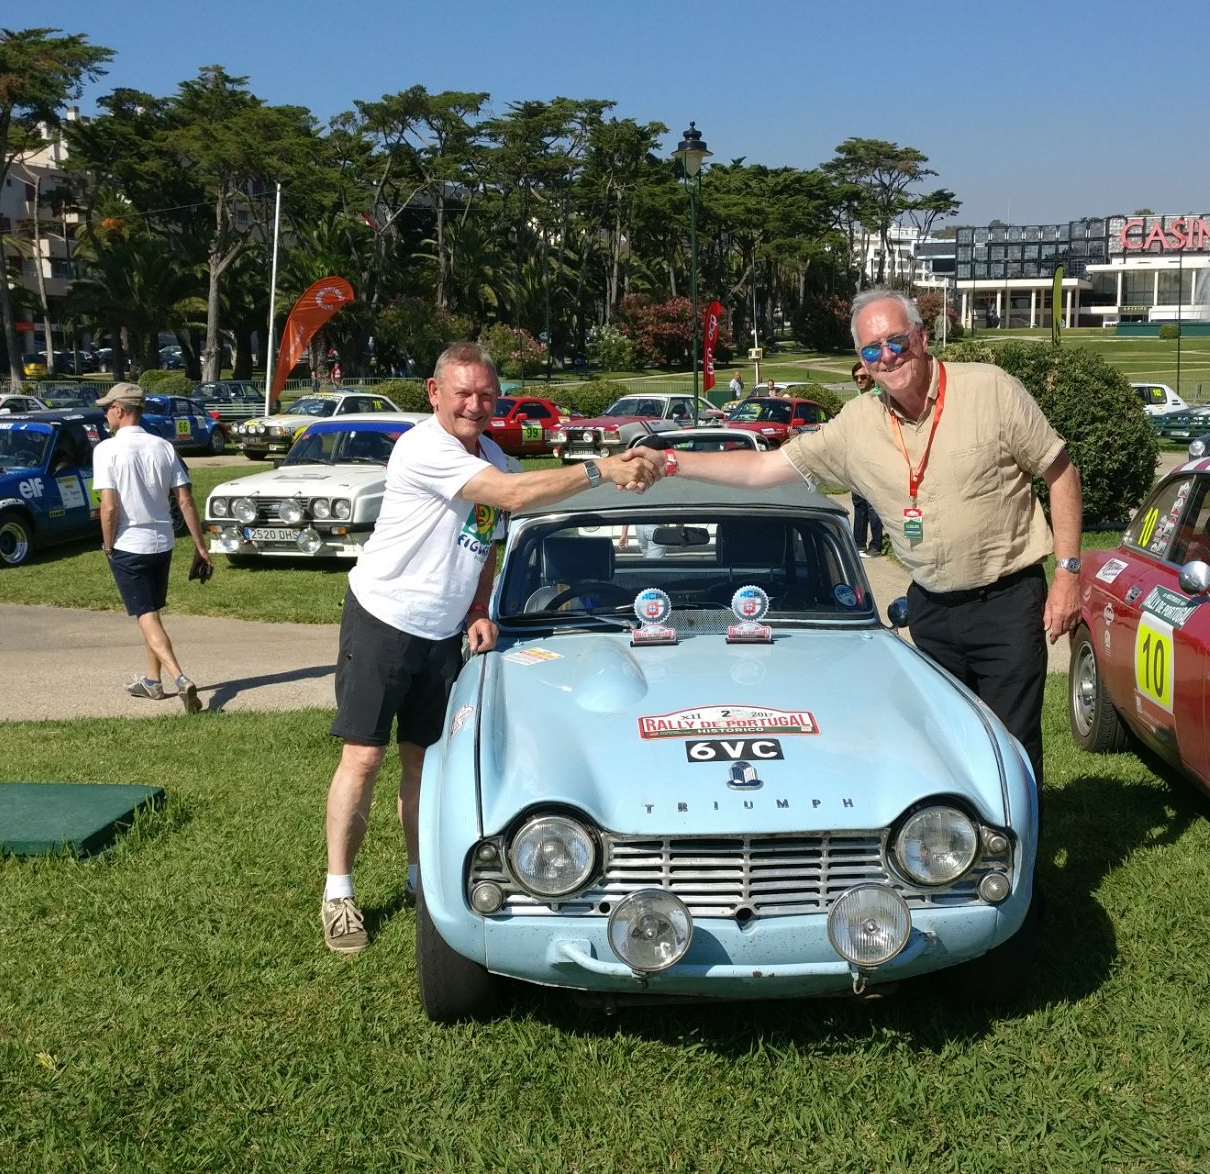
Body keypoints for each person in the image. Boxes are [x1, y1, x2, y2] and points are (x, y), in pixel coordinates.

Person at [626, 288, 1083, 789]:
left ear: (922, 338)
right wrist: (671, 461)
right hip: (929, 607)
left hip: (1006, 601)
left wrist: (1067, 573)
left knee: (1009, 745)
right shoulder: (857, 424)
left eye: (896, 341)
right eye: (871, 349)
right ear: (861, 360)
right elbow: (763, 466)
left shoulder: (989, 390)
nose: (886, 356)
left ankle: (1024, 862)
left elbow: (1060, 471)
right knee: (939, 746)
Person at [320, 340, 659, 953]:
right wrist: (601, 469)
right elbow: (508, 498)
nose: (475, 405)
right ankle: (338, 892)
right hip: (384, 620)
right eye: (462, 393)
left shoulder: (493, 452)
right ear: (434, 393)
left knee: (422, 763)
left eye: (485, 394)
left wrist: (479, 607)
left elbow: (487, 537)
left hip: (445, 632)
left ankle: (421, 877)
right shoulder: (426, 448)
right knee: (364, 760)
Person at [91, 381, 211, 713]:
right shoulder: (163, 446)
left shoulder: (106, 450)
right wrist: (200, 547)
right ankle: (152, 681)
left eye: (107, 409)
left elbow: (109, 507)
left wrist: (107, 542)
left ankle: (179, 677)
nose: (105, 414)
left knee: (145, 614)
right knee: (152, 613)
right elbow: (185, 501)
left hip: (129, 544)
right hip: (163, 542)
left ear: (119, 410)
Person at [848, 361, 886, 556]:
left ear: (871, 377)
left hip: (875, 459)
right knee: (859, 504)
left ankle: (876, 545)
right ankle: (858, 543)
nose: (860, 380)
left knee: (873, 504)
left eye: (863, 377)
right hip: (857, 461)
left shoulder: (879, 398)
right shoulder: (856, 401)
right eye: (856, 378)